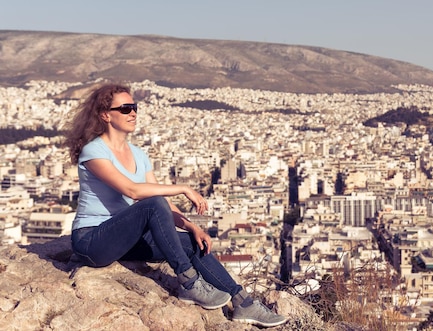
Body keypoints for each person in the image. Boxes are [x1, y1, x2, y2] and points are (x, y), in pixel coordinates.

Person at [64, 83, 287, 328]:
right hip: (92, 241)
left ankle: (243, 302)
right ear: (106, 115)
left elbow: (162, 205)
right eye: (126, 108)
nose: (133, 113)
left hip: (125, 240)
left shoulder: (138, 154)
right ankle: (189, 282)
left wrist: (192, 227)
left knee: (193, 243)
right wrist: (184, 188)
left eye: (134, 107)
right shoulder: (93, 151)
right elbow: (134, 191)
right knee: (153, 202)